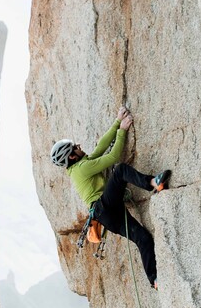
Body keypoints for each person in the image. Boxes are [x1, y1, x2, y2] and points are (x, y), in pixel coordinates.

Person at [50, 106, 170, 288]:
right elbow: (113, 156)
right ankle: (154, 183)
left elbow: (101, 147)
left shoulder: (80, 166)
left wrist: (116, 122)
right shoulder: (82, 169)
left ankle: (154, 280)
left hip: (106, 216)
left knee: (142, 238)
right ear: (72, 156)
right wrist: (122, 130)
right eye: (75, 147)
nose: (79, 146)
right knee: (120, 170)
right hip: (104, 206)